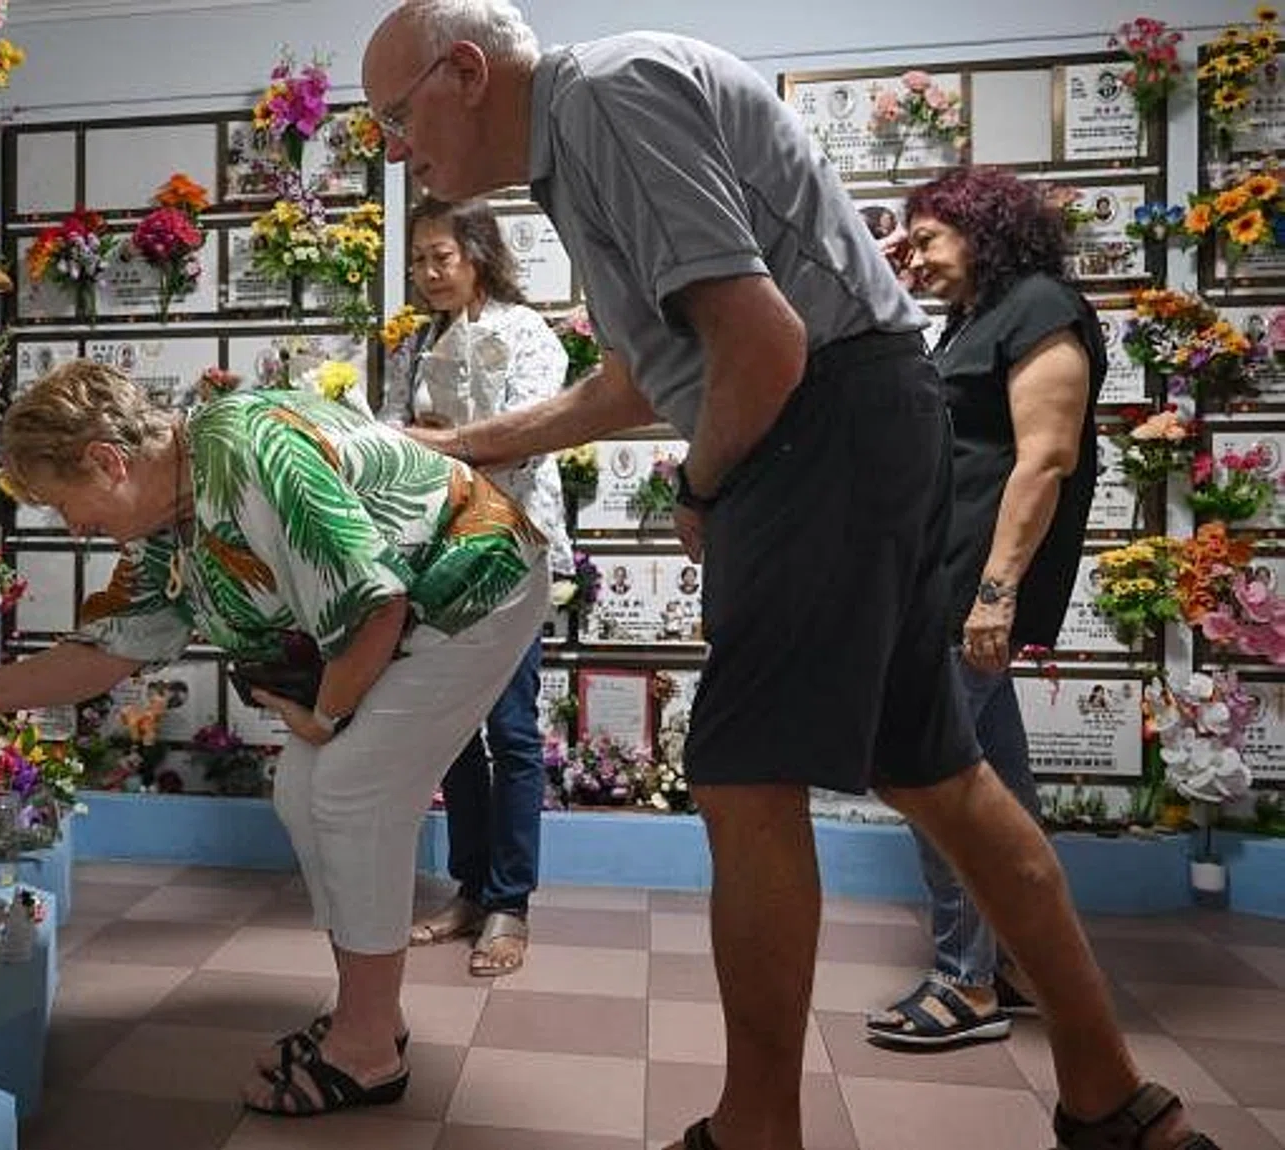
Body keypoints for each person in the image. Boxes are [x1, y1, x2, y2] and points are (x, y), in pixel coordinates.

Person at [360, 5, 1220, 1149]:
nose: (392, 147)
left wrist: (704, 488)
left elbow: (763, 342)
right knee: (938, 772)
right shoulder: (579, 144)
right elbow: (637, 378)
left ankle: (759, 1125)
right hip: (851, 419)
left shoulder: (610, 97)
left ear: (463, 72)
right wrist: (455, 446)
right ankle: (1113, 1095)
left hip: (816, 424)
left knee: (743, 771)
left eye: (394, 115)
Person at [0, 360, 550, 1118]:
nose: (72, 528)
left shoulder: (244, 448)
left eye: (64, 504)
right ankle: (370, 1017)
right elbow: (111, 650)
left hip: (480, 583)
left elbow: (376, 607)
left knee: (350, 788)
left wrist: (325, 719)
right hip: (408, 614)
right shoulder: (168, 517)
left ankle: (366, 1050)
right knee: (302, 791)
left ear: (108, 460)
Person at [862, 167, 1104, 1050]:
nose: (915, 257)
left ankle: (967, 983)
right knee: (997, 789)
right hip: (941, 583)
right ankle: (1017, 961)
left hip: (973, 589)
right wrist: (887, 262)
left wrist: (995, 596)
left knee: (940, 781)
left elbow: (1044, 460)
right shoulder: (971, 320)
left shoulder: (1041, 307)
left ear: (984, 230)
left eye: (929, 239)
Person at [382, 197, 572, 976]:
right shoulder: (414, 343)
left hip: (511, 548)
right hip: (439, 553)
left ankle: (510, 904)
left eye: (442, 257)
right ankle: (468, 890)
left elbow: (527, 435)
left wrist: (426, 446)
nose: (429, 273)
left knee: (515, 731)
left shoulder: (527, 334)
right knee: (455, 731)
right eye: (420, 259)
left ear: (479, 255)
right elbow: (389, 435)